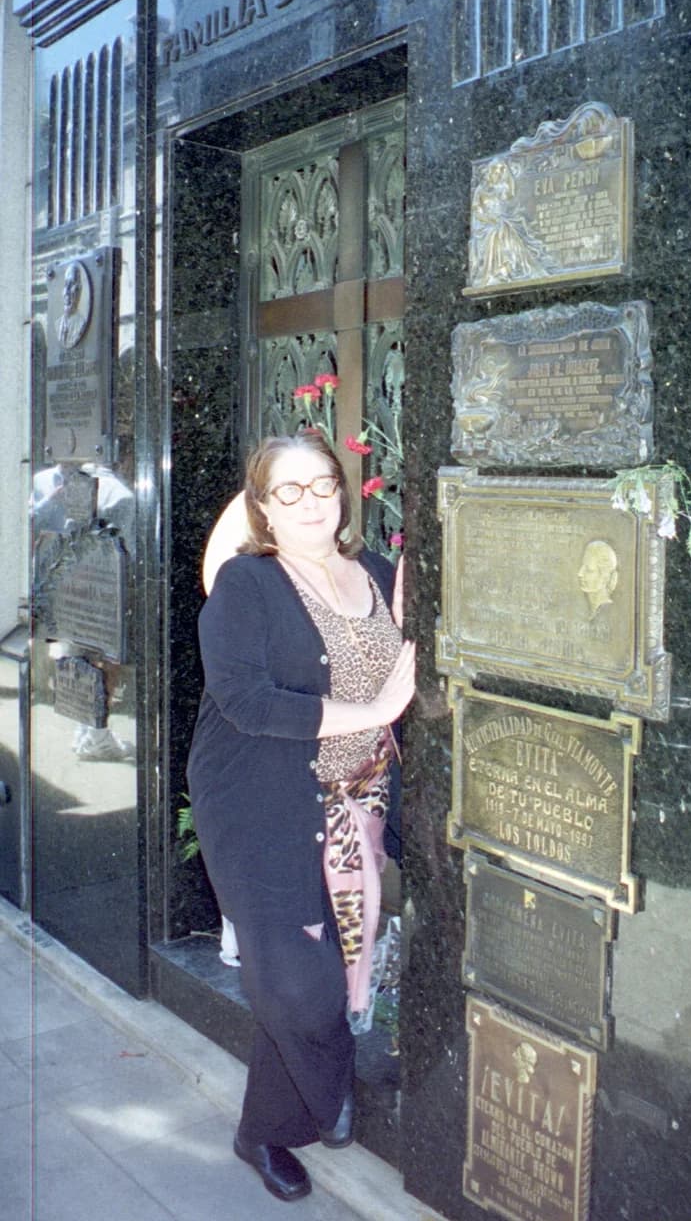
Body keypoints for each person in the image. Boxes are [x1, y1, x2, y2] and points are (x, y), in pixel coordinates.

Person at [186, 432, 415, 1203]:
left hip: (356, 805)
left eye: (322, 485)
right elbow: (245, 701)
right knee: (297, 985)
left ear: (343, 495)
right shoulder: (246, 586)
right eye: (288, 491)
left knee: (333, 966)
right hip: (256, 807)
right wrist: (373, 706)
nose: (310, 502)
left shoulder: (377, 574)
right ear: (262, 507)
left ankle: (262, 1131)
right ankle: (328, 1082)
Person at [55, 261, 89, 349]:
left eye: (72, 284)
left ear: (79, 290)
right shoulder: (57, 324)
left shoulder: (82, 324)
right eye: (66, 285)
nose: (67, 292)